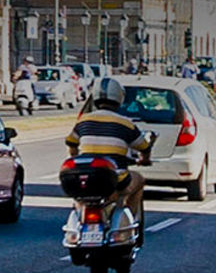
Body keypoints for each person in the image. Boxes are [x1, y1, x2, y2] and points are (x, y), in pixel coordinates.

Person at [65, 78, 152, 240]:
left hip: (86, 177)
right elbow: (144, 147)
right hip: (114, 179)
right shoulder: (125, 124)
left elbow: (71, 142)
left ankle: (79, 221)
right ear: (119, 98)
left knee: (80, 199)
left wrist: (75, 156)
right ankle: (132, 225)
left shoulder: (83, 121)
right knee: (139, 180)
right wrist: (145, 159)